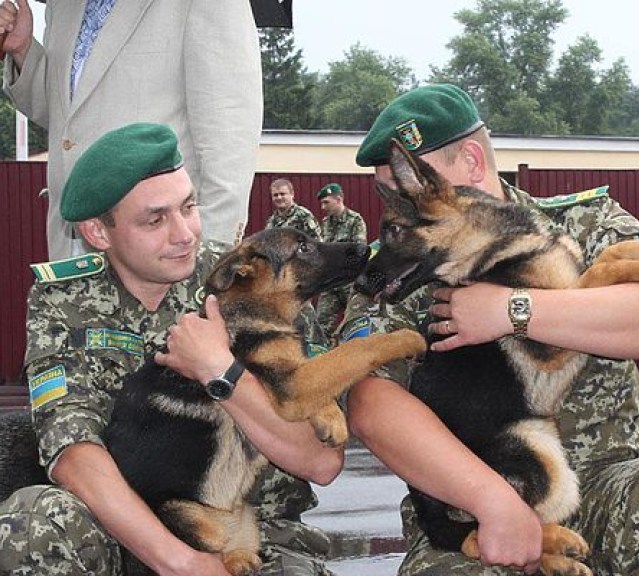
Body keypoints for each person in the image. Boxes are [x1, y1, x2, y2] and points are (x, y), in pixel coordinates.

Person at [339, 84, 639, 576]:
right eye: (387, 189)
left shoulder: (585, 221)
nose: (396, 203)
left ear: (471, 162)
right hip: (468, 497)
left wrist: (514, 310)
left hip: (605, 482)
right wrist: (492, 500)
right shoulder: (397, 274)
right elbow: (370, 404)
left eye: (406, 184)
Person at [0, 123, 342, 576]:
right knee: (31, 523)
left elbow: (321, 461)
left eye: (188, 207)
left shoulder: (254, 277)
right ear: (98, 232)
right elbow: (71, 451)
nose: (184, 234)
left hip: (256, 532)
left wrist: (221, 372)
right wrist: (180, 561)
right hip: (128, 529)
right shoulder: (62, 300)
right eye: (155, 219)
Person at [0, 0, 261, 260]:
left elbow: (230, 137)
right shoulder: (63, 5)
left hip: (166, 253)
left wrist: (212, 255)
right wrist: (23, 51)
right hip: (73, 251)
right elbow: (66, 121)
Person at [315, 182, 367, 340]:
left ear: (338, 199)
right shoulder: (326, 223)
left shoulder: (355, 220)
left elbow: (359, 251)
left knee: (354, 321)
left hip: (349, 282)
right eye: (322, 203)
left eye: (326, 202)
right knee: (321, 323)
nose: (323, 207)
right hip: (331, 282)